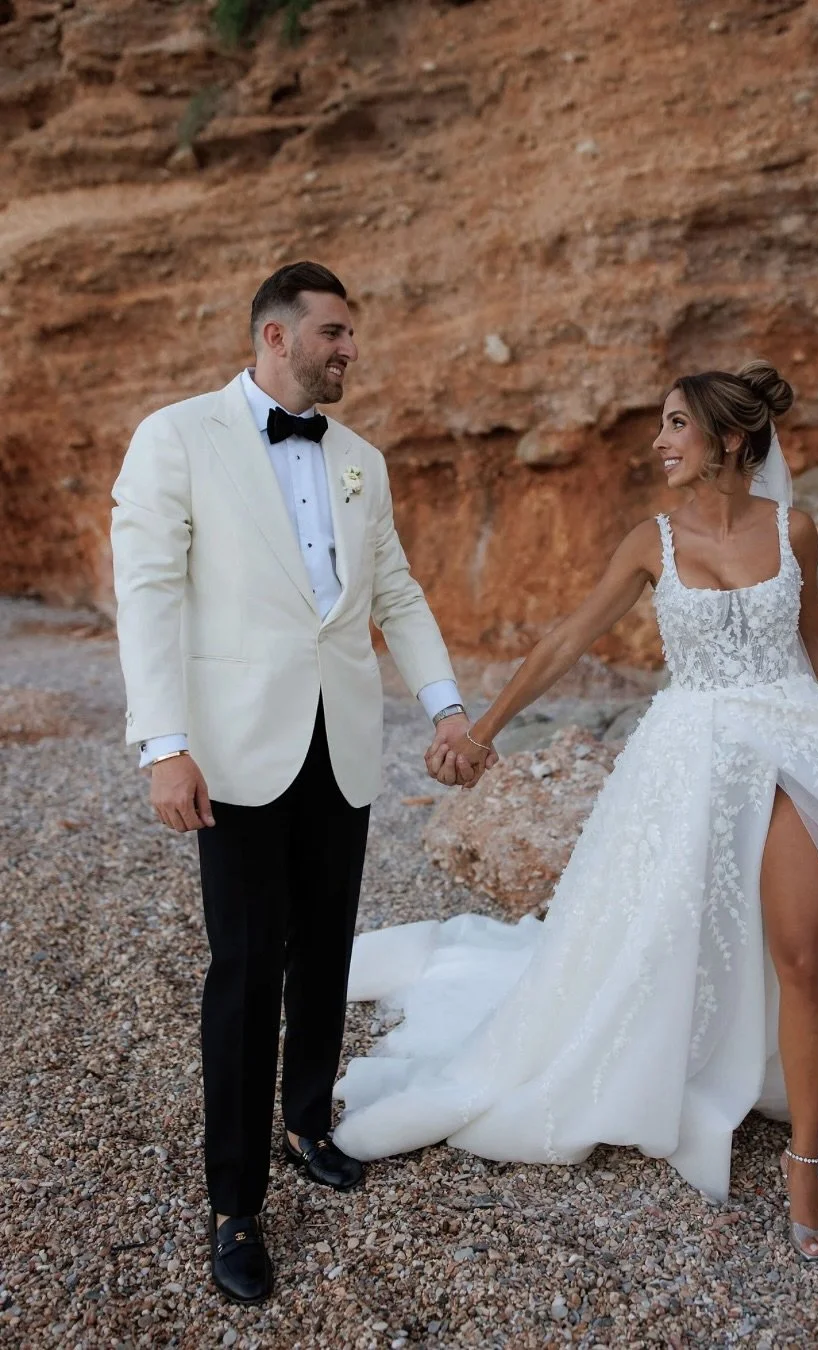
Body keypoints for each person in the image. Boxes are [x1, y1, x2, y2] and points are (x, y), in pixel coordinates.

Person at [334, 361, 818, 1262]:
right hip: (690, 758)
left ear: (729, 439)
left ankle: (804, 1159)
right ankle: (678, 1064)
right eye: (661, 425)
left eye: (676, 425)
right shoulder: (651, 542)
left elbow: (817, 640)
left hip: (798, 741)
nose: (660, 441)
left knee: (802, 950)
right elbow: (571, 636)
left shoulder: (794, 529)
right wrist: (484, 728)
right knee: (660, 944)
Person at [110, 261, 493, 1303]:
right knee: (243, 972)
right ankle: (234, 1204)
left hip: (344, 743)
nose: (348, 350)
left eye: (350, 334)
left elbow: (398, 592)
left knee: (324, 950)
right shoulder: (177, 437)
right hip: (231, 752)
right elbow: (144, 595)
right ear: (275, 337)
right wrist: (163, 743)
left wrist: (445, 702)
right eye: (332, 332)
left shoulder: (361, 458)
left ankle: (307, 1121)